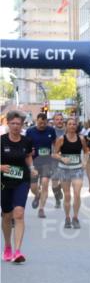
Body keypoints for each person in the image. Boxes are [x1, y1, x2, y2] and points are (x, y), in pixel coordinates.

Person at [1, 110, 36, 263]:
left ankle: (17, 251)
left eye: (18, 124)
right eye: (13, 123)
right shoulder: (1, 141)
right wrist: (1, 167)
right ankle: (7, 246)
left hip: (22, 180)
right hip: (4, 182)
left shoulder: (27, 141)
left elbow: (28, 156)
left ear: (22, 125)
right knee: (7, 215)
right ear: (8, 124)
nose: (15, 126)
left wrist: (32, 168)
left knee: (19, 213)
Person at [52, 117, 89, 229]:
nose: (72, 126)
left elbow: (86, 151)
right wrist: (62, 158)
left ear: (76, 126)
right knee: (67, 195)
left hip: (77, 169)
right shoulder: (61, 139)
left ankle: (75, 217)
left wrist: (85, 162)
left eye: (74, 124)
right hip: (64, 169)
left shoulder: (81, 139)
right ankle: (67, 217)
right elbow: (54, 154)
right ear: (66, 126)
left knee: (77, 194)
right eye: (70, 124)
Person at [25, 112, 57, 218]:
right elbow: (26, 145)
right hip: (34, 162)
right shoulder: (30, 131)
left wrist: (56, 153)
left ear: (47, 122)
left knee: (45, 183)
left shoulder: (51, 130)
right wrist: (30, 150)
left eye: (44, 123)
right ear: (36, 121)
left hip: (47, 162)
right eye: (40, 123)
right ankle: (37, 195)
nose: (42, 125)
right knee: (33, 187)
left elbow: (55, 143)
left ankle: (41, 209)